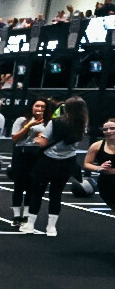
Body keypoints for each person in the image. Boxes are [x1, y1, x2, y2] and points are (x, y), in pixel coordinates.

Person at [23, 96, 88, 236]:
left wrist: (36, 138)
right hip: (67, 162)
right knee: (56, 194)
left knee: (37, 193)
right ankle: (51, 227)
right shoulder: (83, 125)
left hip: (48, 161)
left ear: (66, 108)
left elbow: (43, 142)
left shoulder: (55, 122)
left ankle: (30, 224)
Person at [9, 99, 48, 225]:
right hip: (22, 152)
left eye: (43, 107)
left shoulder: (48, 122)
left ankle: (26, 215)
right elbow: (15, 138)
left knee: (32, 185)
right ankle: (16, 215)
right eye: (37, 106)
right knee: (19, 185)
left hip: (37, 154)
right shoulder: (21, 120)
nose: (40, 109)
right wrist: (29, 126)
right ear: (32, 107)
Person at [83, 117, 115, 209]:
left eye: (112, 128)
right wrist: (99, 168)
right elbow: (86, 163)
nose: (109, 131)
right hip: (106, 184)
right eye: (105, 129)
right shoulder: (96, 146)